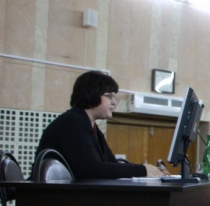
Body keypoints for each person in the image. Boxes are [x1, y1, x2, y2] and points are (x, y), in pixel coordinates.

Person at [35, 70, 167, 179]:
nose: (114, 102)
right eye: (109, 96)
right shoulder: (72, 123)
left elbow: (110, 163)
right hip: (55, 197)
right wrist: (142, 170)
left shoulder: (92, 127)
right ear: (92, 94)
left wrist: (147, 170)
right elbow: (92, 169)